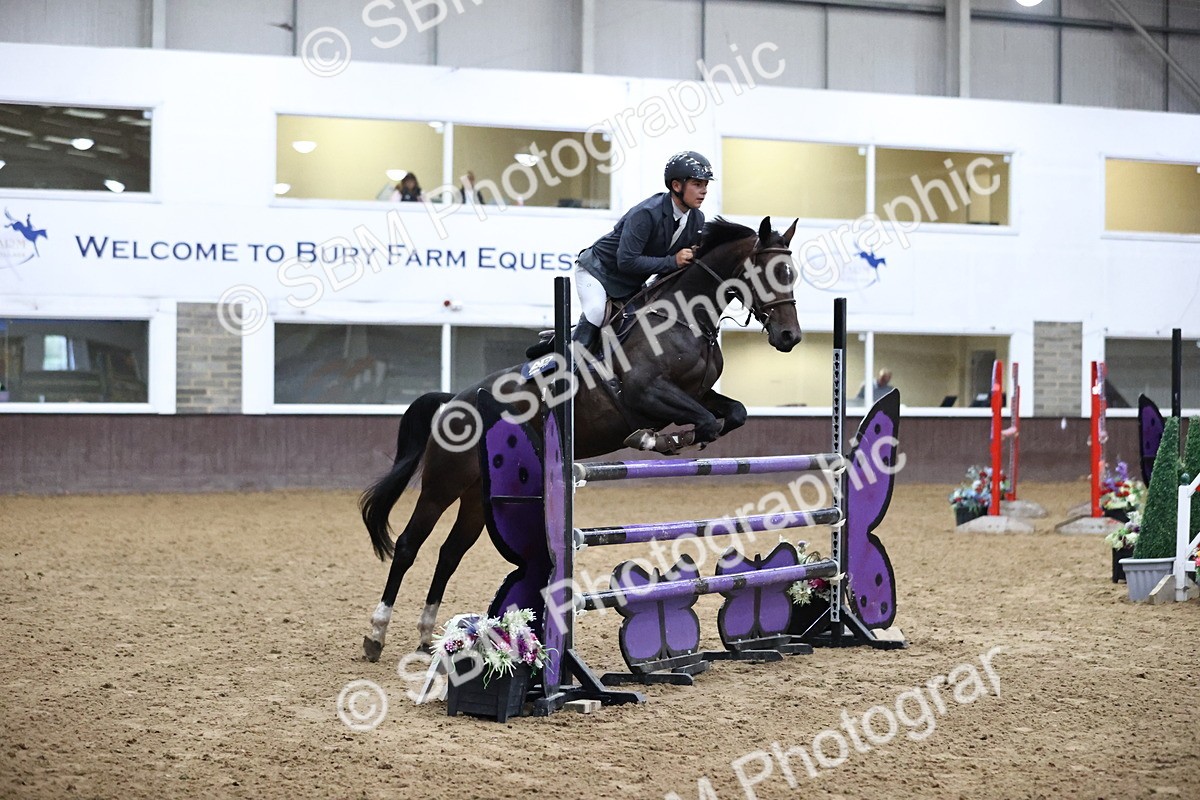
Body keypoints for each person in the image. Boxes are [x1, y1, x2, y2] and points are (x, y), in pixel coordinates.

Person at [527, 150, 713, 359]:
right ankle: (567, 372)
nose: (704, 191)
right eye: (697, 184)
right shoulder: (646, 213)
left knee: (644, 323)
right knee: (596, 312)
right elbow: (627, 261)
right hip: (598, 272)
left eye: (706, 185)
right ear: (676, 186)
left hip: (629, 285)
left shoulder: (697, 219)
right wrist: (673, 260)